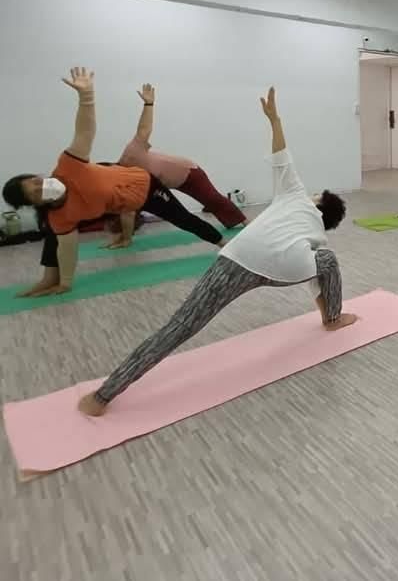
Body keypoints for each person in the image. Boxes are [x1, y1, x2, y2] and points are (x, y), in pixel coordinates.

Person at [77, 86, 355, 417]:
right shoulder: (317, 236)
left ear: (318, 201)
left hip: (238, 257)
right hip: (287, 265)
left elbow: (282, 153)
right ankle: (333, 319)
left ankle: (102, 397)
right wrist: (326, 309)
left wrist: (274, 120)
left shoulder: (294, 193)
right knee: (328, 261)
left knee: (180, 327)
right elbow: (316, 275)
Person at [2, 68, 225, 298]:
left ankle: (223, 244)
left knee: (183, 219)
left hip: (146, 188)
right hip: (108, 203)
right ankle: (49, 279)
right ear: (35, 203)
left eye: (36, 181)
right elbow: (68, 249)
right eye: (36, 193)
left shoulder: (68, 167)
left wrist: (86, 95)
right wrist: (65, 283)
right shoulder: (59, 216)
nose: (42, 186)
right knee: (54, 230)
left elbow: (85, 131)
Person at [116, 83, 247, 240]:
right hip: (169, 182)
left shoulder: (131, 154)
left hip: (188, 173)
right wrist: (126, 238)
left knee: (212, 199)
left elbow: (144, 129)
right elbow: (129, 210)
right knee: (133, 206)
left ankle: (246, 223)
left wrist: (148, 104)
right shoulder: (126, 184)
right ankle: (127, 234)